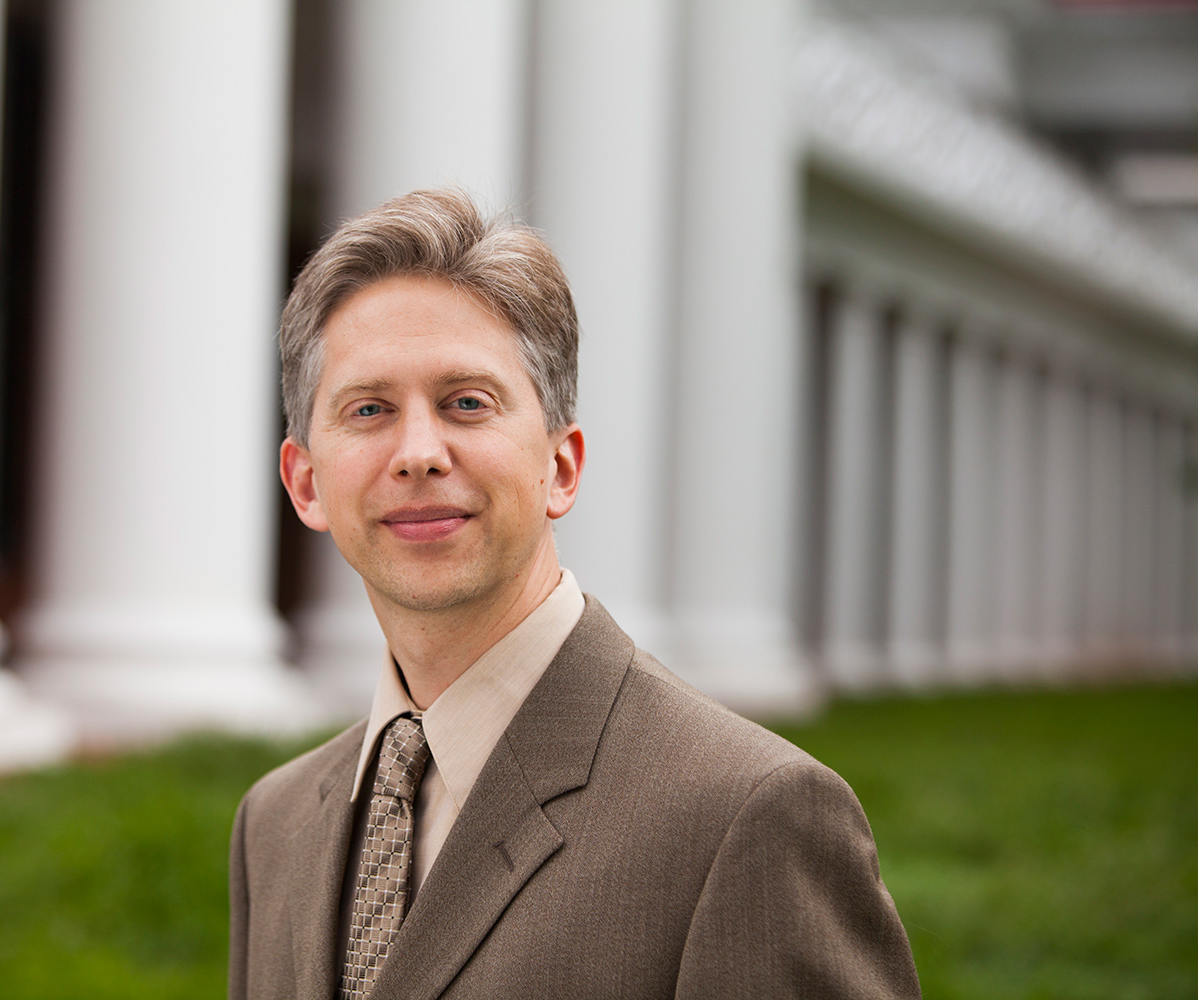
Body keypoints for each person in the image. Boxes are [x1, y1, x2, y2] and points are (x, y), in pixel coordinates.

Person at [229, 188, 920, 1000]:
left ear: (561, 466)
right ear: (305, 483)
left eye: (467, 403)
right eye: (370, 408)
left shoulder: (750, 816)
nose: (418, 452)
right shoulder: (272, 824)